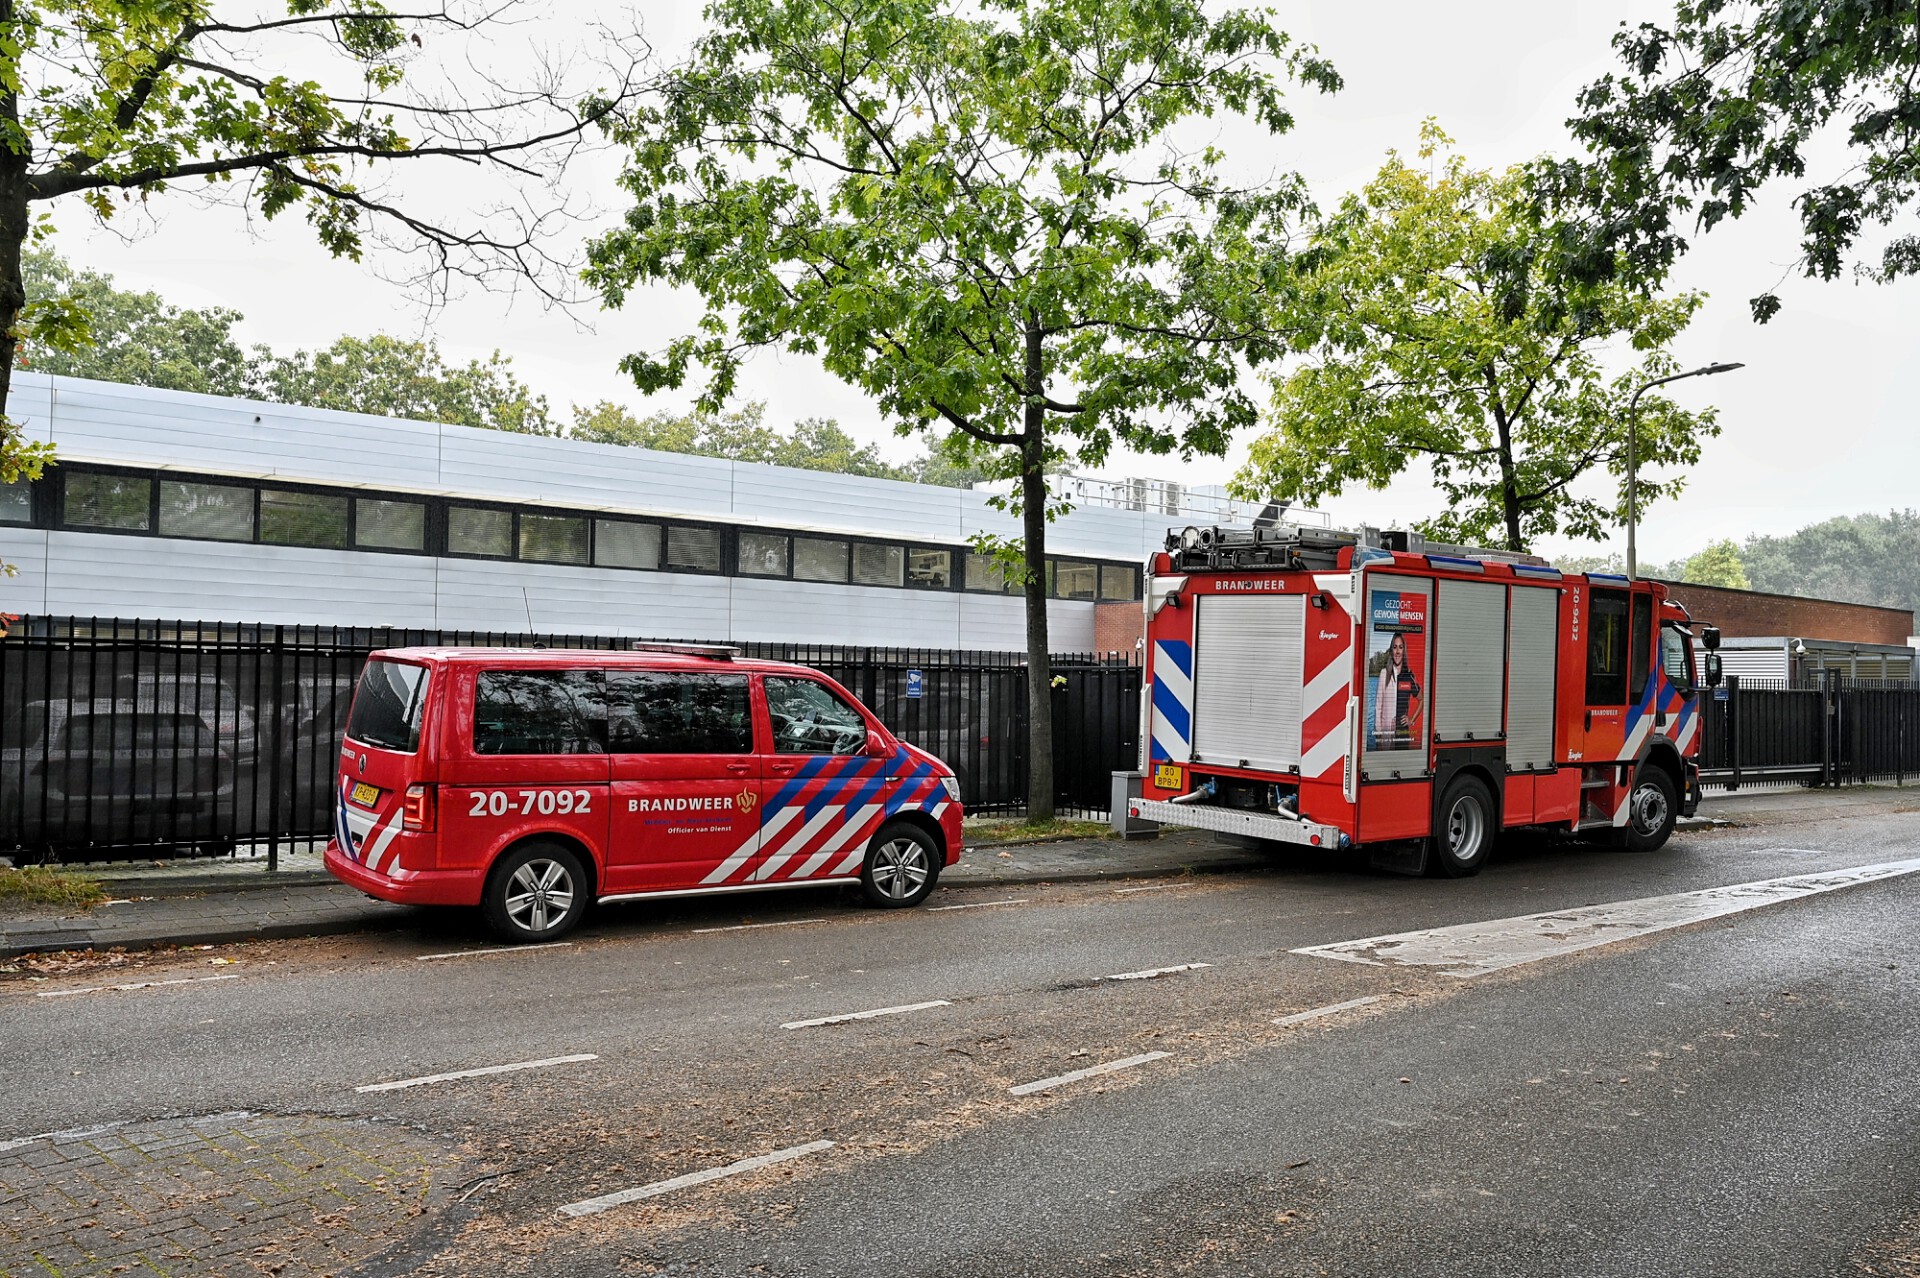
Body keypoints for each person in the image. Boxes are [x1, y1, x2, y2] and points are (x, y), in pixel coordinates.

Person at [1372, 630, 1421, 749]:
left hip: (1402, 734)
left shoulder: (1408, 677)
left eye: (1400, 647)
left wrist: (1412, 720)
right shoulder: (1385, 674)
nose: (1397, 651)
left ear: (1404, 651)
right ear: (1391, 650)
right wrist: (1379, 735)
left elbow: (1422, 699)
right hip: (1387, 733)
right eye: (1395, 647)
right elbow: (1378, 706)